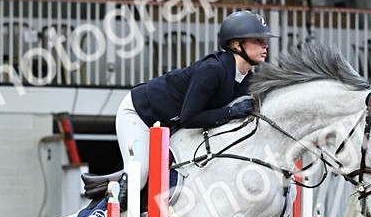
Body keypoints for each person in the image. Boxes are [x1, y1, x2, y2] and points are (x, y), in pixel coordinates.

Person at [82, 10, 276, 202]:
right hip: (140, 114)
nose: (265, 45)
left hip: (169, 126)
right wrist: (232, 112)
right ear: (237, 44)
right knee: (140, 173)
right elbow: (190, 118)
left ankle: (108, 183)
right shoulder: (213, 69)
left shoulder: (246, 79)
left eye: (264, 41)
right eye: (257, 40)